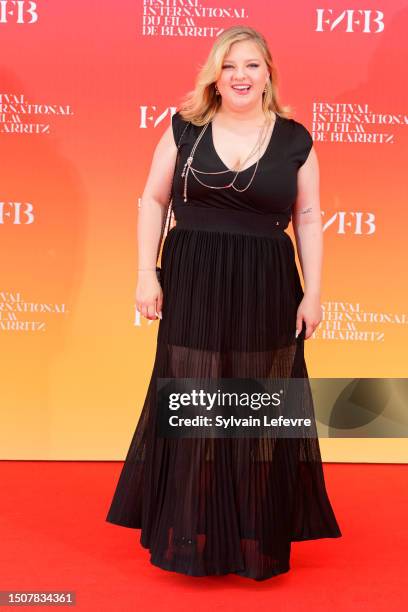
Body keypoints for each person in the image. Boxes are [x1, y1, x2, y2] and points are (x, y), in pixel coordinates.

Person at [106, 25, 342, 581]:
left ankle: (253, 531)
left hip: (266, 280)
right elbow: (152, 200)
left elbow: (307, 217)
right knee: (192, 397)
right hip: (191, 277)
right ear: (215, 73)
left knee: (259, 403)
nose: (240, 75)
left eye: (252, 65)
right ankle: (187, 529)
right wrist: (147, 273)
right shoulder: (183, 129)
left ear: (268, 76)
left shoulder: (295, 139)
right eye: (230, 64)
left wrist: (313, 291)